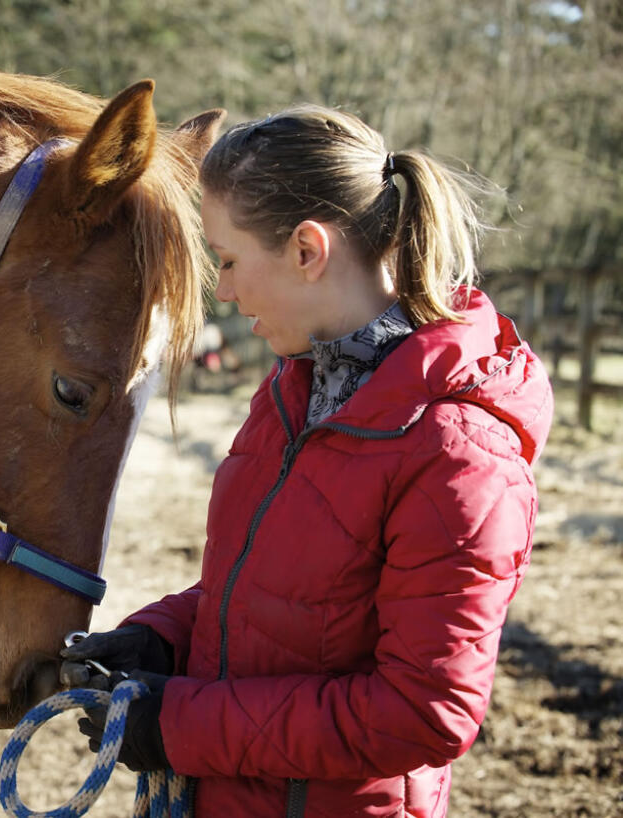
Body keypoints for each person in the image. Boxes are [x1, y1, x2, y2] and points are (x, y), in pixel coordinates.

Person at [61, 105, 553, 817]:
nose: (222, 290)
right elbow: (275, 600)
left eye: (227, 261)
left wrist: (177, 725)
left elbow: (425, 711)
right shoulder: (294, 391)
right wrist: (160, 640)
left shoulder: (457, 454)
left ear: (306, 251)